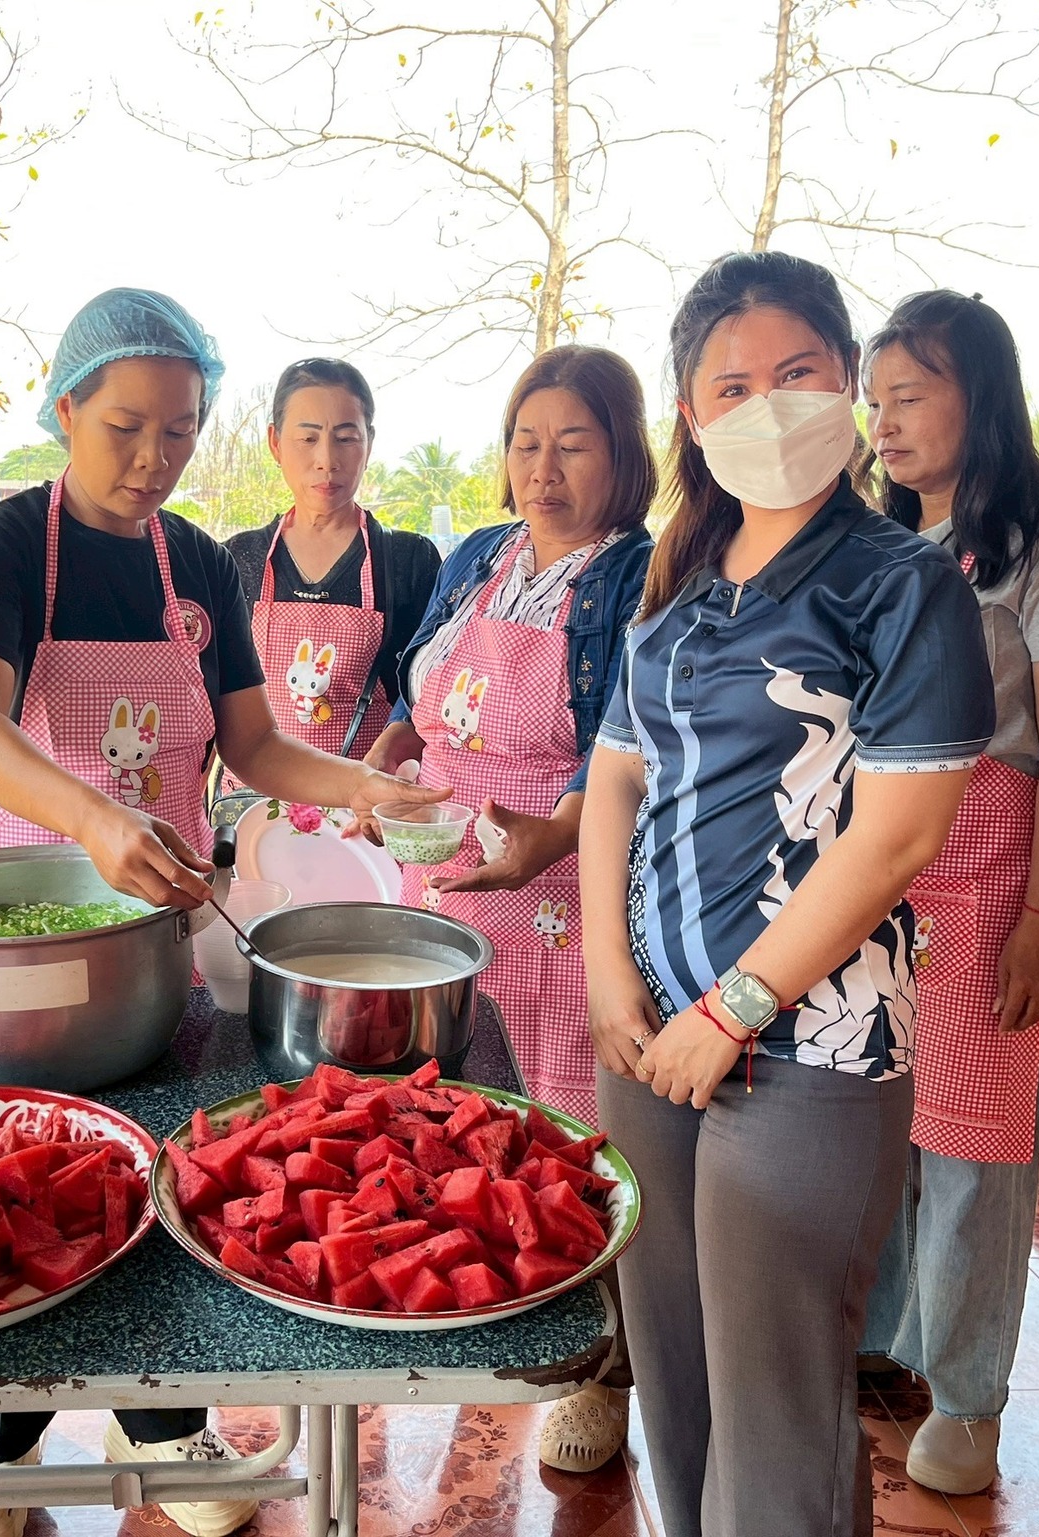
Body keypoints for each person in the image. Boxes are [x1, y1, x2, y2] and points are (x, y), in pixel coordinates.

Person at [0, 288, 443, 1537]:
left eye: (177, 431)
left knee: (165, 1157)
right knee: (18, 1168)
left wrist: (367, 787)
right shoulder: (4, 544)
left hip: (160, 926)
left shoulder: (199, 565)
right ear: (64, 410)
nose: (152, 459)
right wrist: (95, 821)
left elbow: (259, 746)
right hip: (29, 924)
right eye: (124, 428)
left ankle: (165, 1424)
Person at [580, 251, 994, 1537]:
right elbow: (611, 781)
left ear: (848, 383)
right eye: (732, 384)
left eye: (798, 372)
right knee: (674, 1363)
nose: (768, 405)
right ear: (693, 421)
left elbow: (897, 835)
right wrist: (610, 979)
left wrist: (735, 1006)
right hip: (652, 1033)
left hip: (804, 1040)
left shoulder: (899, 582)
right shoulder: (680, 591)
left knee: (774, 1388)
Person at [362, 343, 654, 1475]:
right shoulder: (477, 556)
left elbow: (626, 738)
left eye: (571, 442)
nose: (542, 467)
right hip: (440, 874)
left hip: (559, 885)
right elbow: (414, 696)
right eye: (525, 442)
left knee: (576, 1133)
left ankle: (601, 1370)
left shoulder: (638, 573)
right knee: (444, 1117)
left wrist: (545, 837)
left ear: (621, 455)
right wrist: (384, 760)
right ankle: (460, 1307)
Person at [857, 291, 1039, 1495]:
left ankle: (966, 1392)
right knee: (866, 1114)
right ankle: (874, 1336)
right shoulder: (867, 533)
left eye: (909, 395)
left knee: (972, 1137)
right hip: (868, 867)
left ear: (982, 396)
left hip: (986, 865)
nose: (884, 422)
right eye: (875, 400)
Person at [221, 358, 441, 780]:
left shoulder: (408, 561)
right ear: (275, 443)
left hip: (362, 814)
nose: (327, 460)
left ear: (369, 443)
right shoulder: (236, 559)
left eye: (345, 438)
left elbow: (423, 700)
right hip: (252, 808)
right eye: (307, 438)